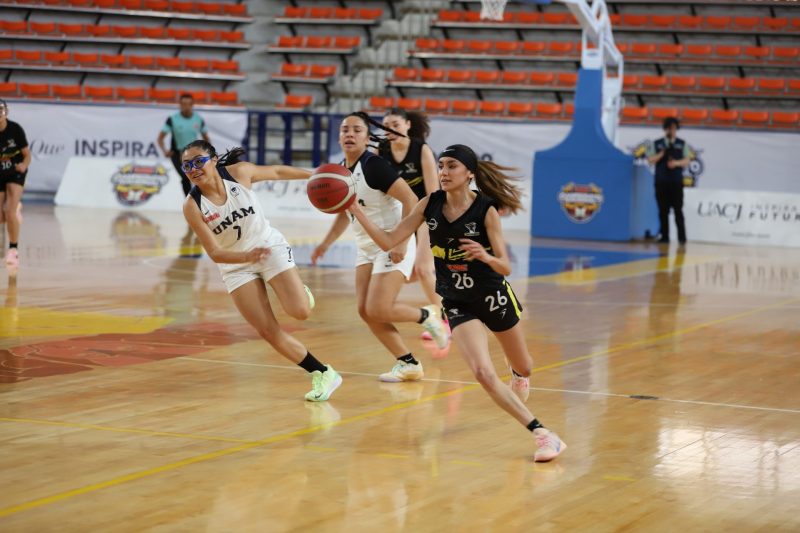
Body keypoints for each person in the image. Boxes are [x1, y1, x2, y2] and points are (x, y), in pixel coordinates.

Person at [347, 144, 565, 462]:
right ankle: (543, 434)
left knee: (525, 365)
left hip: (492, 295)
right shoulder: (429, 204)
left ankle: (519, 373)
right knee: (482, 372)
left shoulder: (486, 210)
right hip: (457, 300)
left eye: (452, 166)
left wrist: (485, 256)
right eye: (441, 166)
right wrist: (356, 210)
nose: (444, 172)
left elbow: (505, 267)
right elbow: (389, 240)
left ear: (469, 173)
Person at [181, 140, 341, 401]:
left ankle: (299, 291)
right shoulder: (192, 206)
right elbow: (215, 253)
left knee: (300, 311)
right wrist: (246, 257)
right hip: (235, 265)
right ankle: (322, 372)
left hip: (268, 246)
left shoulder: (239, 173)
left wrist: (313, 175)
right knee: (267, 330)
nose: (193, 169)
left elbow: (277, 171)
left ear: (214, 160)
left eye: (199, 161)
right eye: (187, 165)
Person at [311, 112, 449, 384]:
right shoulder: (340, 171)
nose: (350, 134)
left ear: (367, 138)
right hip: (366, 246)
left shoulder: (374, 165)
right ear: (338, 137)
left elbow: (410, 199)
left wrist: (402, 242)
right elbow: (344, 213)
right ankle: (408, 363)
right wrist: (325, 244)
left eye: (357, 130)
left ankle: (427, 315)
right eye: (345, 129)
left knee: (379, 307)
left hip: (392, 240)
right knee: (365, 311)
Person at [378, 108, 446, 342]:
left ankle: (444, 322)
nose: (390, 129)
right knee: (409, 274)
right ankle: (451, 305)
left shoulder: (421, 150)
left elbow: (433, 194)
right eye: (386, 125)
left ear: (407, 125)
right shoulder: (381, 150)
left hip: (426, 215)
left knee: (425, 269)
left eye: (395, 124)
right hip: (399, 217)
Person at [647, 117, 691, 244]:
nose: (671, 131)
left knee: (678, 210)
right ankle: (664, 236)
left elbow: (687, 160)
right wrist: (661, 154)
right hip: (661, 181)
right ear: (665, 129)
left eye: (673, 128)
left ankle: (682, 238)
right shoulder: (657, 143)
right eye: (668, 128)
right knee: (663, 210)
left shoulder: (682, 143)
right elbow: (650, 160)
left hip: (676, 182)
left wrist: (676, 163)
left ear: (676, 129)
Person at [158, 93, 211, 196]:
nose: (186, 107)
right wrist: (165, 150)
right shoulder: (172, 119)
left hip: (193, 154)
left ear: (192, 105)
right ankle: (190, 200)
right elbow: (160, 138)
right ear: (180, 105)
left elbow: (206, 138)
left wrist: (209, 152)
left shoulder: (198, 119)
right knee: (186, 177)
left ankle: (200, 200)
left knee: (198, 177)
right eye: (183, 104)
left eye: (188, 104)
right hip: (177, 154)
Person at [0, 99, 30, 269]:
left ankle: (13, 250)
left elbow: (27, 155)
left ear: (6, 112)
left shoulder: (15, 129)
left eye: (1, 110)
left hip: (15, 172)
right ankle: (16, 207)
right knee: (2, 216)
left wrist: (24, 165)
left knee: (9, 210)